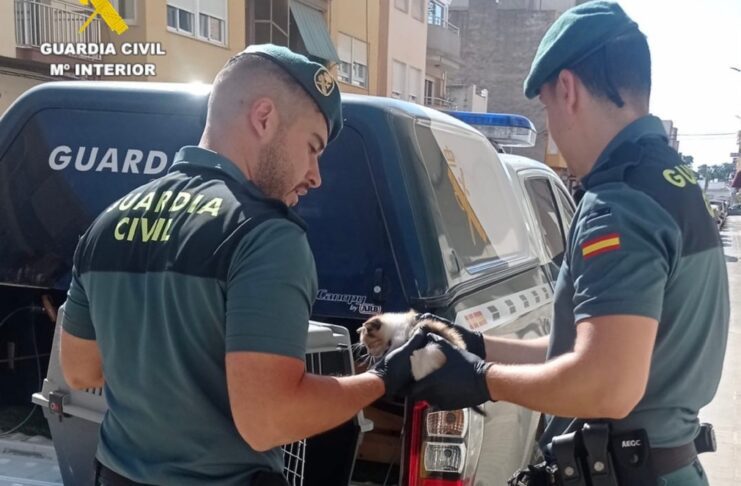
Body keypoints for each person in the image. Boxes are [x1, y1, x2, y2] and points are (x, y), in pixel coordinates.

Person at [58, 44, 421, 486]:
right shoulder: (265, 235)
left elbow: (80, 371)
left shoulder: (107, 222)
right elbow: (269, 420)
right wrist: (384, 378)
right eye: (312, 147)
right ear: (264, 118)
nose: (315, 175)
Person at [405, 3, 730, 485]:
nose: (551, 125)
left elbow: (606, 384)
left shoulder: (618, 204)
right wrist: (475, 347)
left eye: (547, 106)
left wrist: (480, 380)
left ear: (567, 90)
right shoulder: (670, 183)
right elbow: (584, 349)